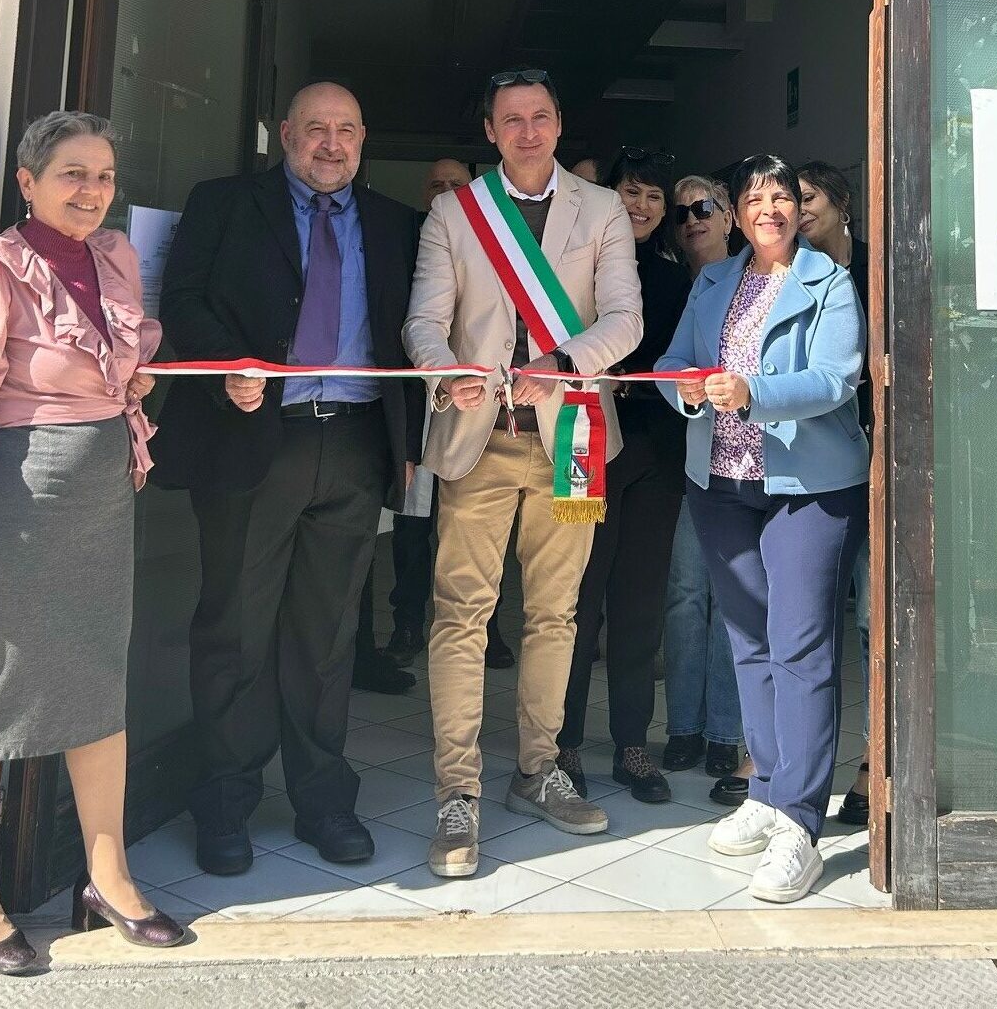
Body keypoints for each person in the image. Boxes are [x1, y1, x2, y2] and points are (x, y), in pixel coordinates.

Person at [0, 110, 184, 973]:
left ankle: (109, 875)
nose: (92, 191)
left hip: (103, 494)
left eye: (103, 176)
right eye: (72, 174)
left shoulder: (115, 257)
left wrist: (141, 375)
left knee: (100, 678)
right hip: (17, 500)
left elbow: (128, 355)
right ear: (27, 182)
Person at [152, 82, 423, 876]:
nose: (332, 145)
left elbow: (415, 330)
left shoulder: (396, 223)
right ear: (284, 134)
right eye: (315, 130)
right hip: (252, 440)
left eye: (347, 130)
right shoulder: (224, 203)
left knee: (328, 633)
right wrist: (226, 367)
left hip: (356, 443)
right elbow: (183, 300)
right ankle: (225, 800)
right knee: (235, 628)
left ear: (363, 138)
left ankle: (323, 799)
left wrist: (421, 429)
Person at [404, 68, 641, 877]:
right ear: (491, 130)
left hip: (572, 438)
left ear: (559, 123)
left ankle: (539, 770)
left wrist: (564, 363)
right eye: (512, 119)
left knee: (556, 615)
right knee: (460, 616)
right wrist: (445, 373)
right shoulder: (455, 211)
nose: (528, 131)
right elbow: (423, 322)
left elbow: (626, 319)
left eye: (540, 116)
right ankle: (456, 794)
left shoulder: (601, 208)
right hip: (479, 441)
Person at [656, 154, 867, 904]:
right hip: (721, 481)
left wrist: (753, 392)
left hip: (808, 487)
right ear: (737, 213)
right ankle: (769, 791)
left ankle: (801, 825)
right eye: (754, 198)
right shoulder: (714, 280)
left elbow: (836, 378)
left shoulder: (828, 281)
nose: (770, 209)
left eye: (782, 197)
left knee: (801, 646)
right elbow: (674, 360)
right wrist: (687, 388)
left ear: (796, 210)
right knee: (748, 639)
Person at [556, 148, 689, 804]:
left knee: (639, 603)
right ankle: (563, 742)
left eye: (653, 197)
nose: (639, 206)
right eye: (630, 192)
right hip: (583, 448)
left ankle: (632, 743)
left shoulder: (677, 279)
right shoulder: (577, 269)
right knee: (575, 602)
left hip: (656, 456)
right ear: (607, 198)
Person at [355, 156, 517, 673]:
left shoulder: (494, 241)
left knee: (478, 533)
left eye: (456, 184)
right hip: (418, 402)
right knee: (411, 527)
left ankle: (489, 629)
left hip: (473, 410)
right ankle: (407, 624)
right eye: (437, 185)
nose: (445, 191)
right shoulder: (405, 239)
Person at [660, 175, 747, 795]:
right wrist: (686, 392)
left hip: (754, 464)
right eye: (682, 211)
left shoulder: (767, 276)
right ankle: (684, 727)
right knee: (686, 593)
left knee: (732, 602)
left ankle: (724, 732)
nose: (692, 218)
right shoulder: (693, 285)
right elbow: (669, 363)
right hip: (693, 459)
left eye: (705, 207)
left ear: (731, 217)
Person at [798, 161, 872, 827]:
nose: (796, 209)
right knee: (807, 618)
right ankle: (782, 763)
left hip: (884, 461)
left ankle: (875, 762)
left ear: (843, 204)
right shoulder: (788, 275)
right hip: (814, 463)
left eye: (808, 197)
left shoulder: (881, 270)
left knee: (874, 616)